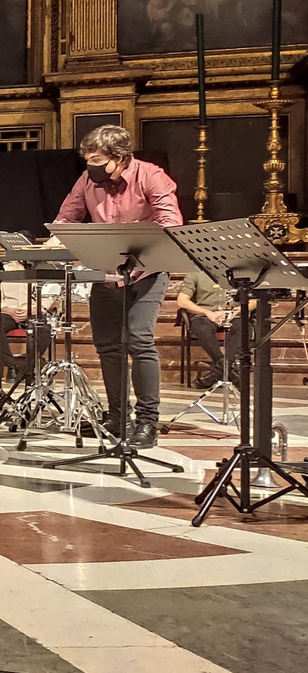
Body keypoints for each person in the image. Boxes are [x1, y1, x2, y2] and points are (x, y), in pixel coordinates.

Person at [51, 124, 181, 448]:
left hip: (147, 273)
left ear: (120, 158)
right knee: (108, 347)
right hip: (106, 274)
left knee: (139, 341)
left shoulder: (151, 176)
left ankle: (147, 422)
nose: (90, 167)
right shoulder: (87, 180)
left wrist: (139, 240)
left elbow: (170, 223)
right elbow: (66, 218)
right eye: (87, 160)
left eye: (97, 161)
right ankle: (118, 417)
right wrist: (55, 239)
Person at [174, 268, 238, 390]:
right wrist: (207, 312)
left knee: (245, 329)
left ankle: (219, 372)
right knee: (203, 328)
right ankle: (229, 371)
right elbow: (182, 301)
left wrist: (237, 311)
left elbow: (255, 299)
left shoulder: (242, 272)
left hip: (234, 314)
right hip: (204, 315)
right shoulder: (195, 273)